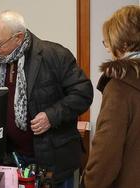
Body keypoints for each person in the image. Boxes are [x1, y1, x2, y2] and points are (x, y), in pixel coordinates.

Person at [0, 10, 93, 187]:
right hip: (14, 159)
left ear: (18, 37)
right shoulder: (0, 59)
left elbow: (83, 93)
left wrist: (51, 116)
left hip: (52, 162)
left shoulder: (54, 55)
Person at [83, 5, 140, 188]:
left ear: (124, 44)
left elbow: (106, 154)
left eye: (108, 42)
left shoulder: (120, 87)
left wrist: (89, 183)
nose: (107, 48)